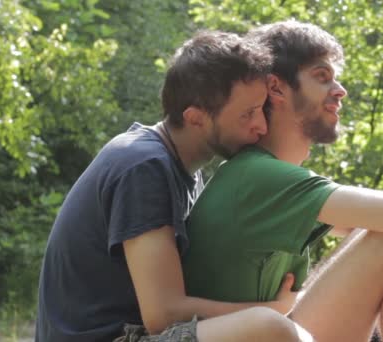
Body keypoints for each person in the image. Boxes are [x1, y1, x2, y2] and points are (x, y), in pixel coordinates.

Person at [182, 20, 383, 341]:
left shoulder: (271, 180)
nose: (340, 90)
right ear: (276, 88)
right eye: (322, 77)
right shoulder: (256, 175)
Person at [35, 31, 312, 342]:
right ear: (195, 118)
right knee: (268, 327)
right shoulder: (142, 167)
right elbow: (163, 314)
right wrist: (272, 309)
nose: (261, 126)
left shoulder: (183, 171)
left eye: (261, 109)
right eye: (247, 114)